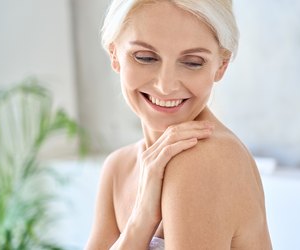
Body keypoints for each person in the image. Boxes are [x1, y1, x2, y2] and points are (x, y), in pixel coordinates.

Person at [86, 0, 272, 249]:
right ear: (114, 55)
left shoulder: (202, 159)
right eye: (145, 57)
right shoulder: (118, 168)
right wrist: (141, 219)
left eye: (193, 62)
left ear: (221, 66)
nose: (166, 85)